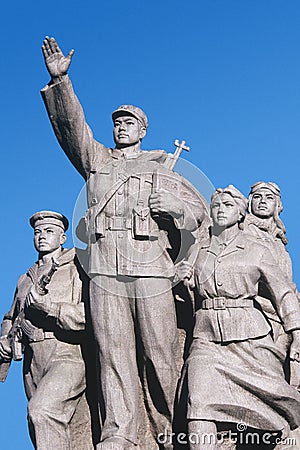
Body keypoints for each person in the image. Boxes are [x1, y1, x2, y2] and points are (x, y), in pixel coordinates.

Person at [40, 37, 207, 449]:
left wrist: (172, 205)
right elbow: (71, 129)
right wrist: (61, 84)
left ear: (143, 130)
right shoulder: (98, 160)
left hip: (150, 263)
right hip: (104, 267)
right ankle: (120, 435)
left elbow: (198, 216)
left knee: (160, 352)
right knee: (112, 355)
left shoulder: (163, 166)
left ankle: (173, 429)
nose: (120, 126)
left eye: (128, 122)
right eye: (116, 121)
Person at [180, 186, 300, 450]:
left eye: (228, 205)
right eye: (217, 205)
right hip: (206, 338)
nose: (221, 210)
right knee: (198, 401)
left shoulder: (257, 250)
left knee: (278, 400)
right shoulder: (198, 249)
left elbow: (284, 294)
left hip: (250, 338)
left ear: (241, 213)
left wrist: (297, 331)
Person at [0, 211, 92, 450]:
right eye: (37, 232)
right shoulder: (25, 279)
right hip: (32, 361)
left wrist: (50, 309)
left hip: (67, 354)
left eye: (49, 231)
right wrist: (4, 338)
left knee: (42, 411)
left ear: (62, 238)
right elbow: (10, 317)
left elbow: (91, 315)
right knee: (40, 425)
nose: (42, 236)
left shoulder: (77, 268)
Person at [244, 181, 298, 355]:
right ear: (249, 202)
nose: (262, 201)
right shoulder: (242, 232)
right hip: (255, 307)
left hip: (282, 311)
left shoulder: (278, 241)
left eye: (269, 198)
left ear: (277, 205)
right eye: (257, 197)